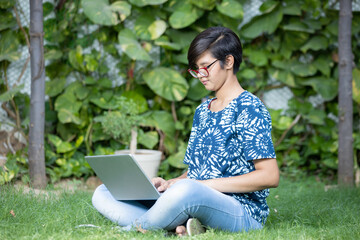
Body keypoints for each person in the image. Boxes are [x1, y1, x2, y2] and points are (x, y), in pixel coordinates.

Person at [92, 26, 279, 236]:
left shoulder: (249, 107)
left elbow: (270, 176)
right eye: (196, 69)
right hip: (194, 195)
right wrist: (171, 183)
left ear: (228, 61)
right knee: (103, 192)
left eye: (205, 67)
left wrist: (199, 186)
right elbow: (195, 173)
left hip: (241, 210)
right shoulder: (203, 110)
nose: (200, 75)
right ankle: (174, 226)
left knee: (187, 191)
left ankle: (134, 229)